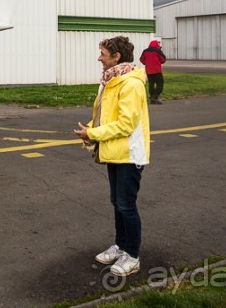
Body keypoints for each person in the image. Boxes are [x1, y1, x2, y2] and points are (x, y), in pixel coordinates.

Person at [74, 36, 150, 277]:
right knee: (118, 203)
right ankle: (121, 246)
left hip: (129, 154)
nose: (99, 58)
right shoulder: (111, 80)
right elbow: (106, 117)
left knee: (127, 205)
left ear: (116, 57)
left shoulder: (131, 84)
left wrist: (94, 133)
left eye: (103, 54)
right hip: (114, 152)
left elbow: (126, 124)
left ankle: (133, 255)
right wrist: (89, 131)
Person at [140, 40, 166, 104]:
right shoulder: (157, 50)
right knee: (160, 83)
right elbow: (163, 59)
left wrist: (146, 63)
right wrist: (159, 62)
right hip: (157, 70)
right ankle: (155, 97)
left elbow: (141, 59)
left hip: (149, 71)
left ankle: (152, 98)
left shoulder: (145, 51)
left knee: (151, 84)